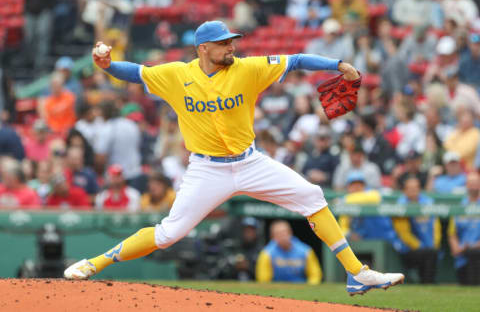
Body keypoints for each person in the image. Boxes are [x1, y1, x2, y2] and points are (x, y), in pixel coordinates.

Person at [64, 20, 404, 295]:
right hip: (206, 169)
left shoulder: (248, 69)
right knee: (168, 234)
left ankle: (357, 274)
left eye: (232, 41)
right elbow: (135, 72)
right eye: (225, 42)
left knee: (313, 197)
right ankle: (94, 263)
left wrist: (338, 65)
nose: (232, 46)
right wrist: (107, 65)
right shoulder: (176, 75)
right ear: (203, 49)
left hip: (251, 162)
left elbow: (297, 60)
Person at [393, 176, 440, 284]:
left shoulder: (428, 202)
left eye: (416, 188)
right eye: (410, 189)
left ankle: (428, 285)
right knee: (429, 254)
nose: (413, 191)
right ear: (404, 190)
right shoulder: (401, 204)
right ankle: (428, 284)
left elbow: (435, 226)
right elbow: (404, 234)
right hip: (407, 249)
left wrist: (434, 244)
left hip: (429, 247)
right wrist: (421, 247)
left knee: (432, 253)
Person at [256, 220, 322, 284]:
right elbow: (263, 280)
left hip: (301, 287)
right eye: (278, 234)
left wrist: (309, 287)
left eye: (284, 232)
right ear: (273, 237)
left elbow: (315, 275)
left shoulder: (305, 251)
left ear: (290, 232)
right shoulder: (267, 253)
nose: (282, 236)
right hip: (277, 289)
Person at [448, 172, 480, 285]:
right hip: (463, 255)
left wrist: (474, 245)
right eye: (471, 183)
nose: (473, 186)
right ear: (466, 185)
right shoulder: (460, 207)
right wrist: (457, 249)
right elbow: (452, 233)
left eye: (476, 182)